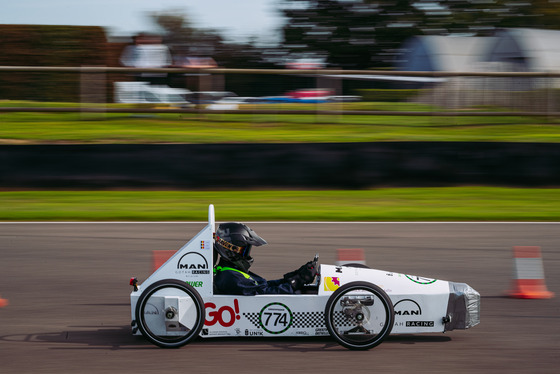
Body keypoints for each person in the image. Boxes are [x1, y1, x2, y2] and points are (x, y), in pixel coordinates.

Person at [213, 222, 317, 295]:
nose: (247, 254)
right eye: (245, 250)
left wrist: (296, 275)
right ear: (231, 249)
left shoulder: (230, 270)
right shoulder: (231, 277)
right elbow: (266, 294)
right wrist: (297, 281)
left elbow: (264, 285)